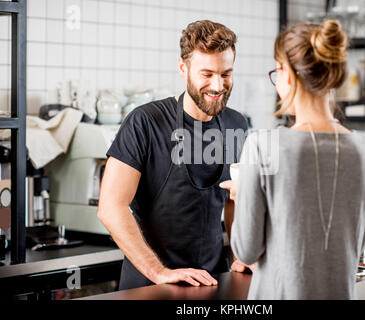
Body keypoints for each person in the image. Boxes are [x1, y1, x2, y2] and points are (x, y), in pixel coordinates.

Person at [220, 20, 365, 299]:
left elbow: (246, 250)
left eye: (277, 71)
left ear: (289, 76)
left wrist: (244, 192)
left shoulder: (263, 145)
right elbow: (357, 244)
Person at [98, 20, 251, 291]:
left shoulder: (236, 124)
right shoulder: (145, 122)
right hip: (149, 286)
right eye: (207, 74)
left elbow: (233, 200)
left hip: (213, 282)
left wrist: (241, 254)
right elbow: (111, 207)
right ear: (183, 68)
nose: (218, 86)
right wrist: (159, 272)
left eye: (226, 74)